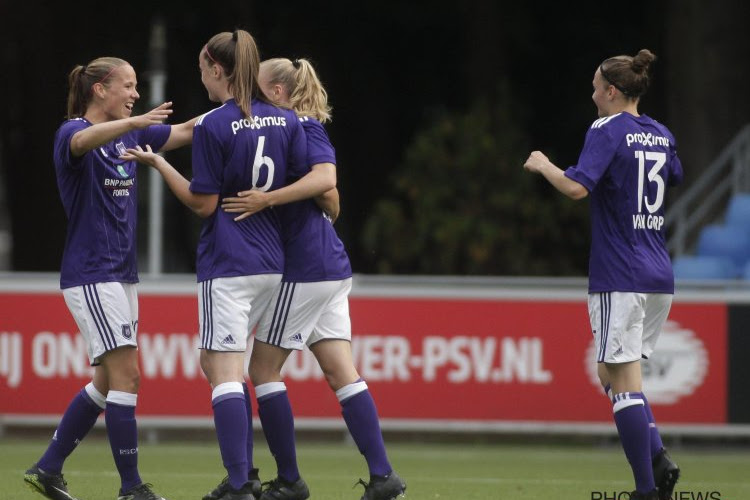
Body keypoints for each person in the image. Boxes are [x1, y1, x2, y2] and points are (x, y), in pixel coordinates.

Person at [123, 33, 334, 500]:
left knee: (224, 374)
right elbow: (315, 181)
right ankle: (260, 474)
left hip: (229, 261)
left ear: (217, 69)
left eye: (202, 69)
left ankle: (240, 483)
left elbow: (204, 204)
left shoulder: (216, 125)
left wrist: (159, 164)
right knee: (218, 363)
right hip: (273, 263)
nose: (201, 77)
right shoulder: (284, 119)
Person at [212, 57, 406, 500]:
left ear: (278, 92)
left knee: (261, 369)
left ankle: (290, 480)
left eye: (258, 90)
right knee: (341, 371)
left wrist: (269, 200)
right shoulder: (279, 127)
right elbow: (332, 201)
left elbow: (327, 180)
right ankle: (383, 477)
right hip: (327, 267)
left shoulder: (300, 125)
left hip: (306, 269)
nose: (252, 98)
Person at [23, 57, 197, 500]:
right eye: (129, 85)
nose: (136, 94)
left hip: (121, 276)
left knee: (106, 382)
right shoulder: (72, 132)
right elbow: (82, 140)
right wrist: (135, 121)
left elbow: (187, 131)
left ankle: (47, 468)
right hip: (92, 274)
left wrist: (238, 110)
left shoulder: (131, 129)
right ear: (100, 89)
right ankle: (131, 487)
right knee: (128, 376)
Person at [523, 49, 682, 500]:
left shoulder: (607, 128)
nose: (592, 96)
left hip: (620, 273)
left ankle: (647, 487)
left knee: (622, 383)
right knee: (612, 376)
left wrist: (543, 164)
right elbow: (674, 175)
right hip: (659, 276)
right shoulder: (661, 133)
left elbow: (577, 187)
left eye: (596, 88)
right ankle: (658, 461)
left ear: (612, 91)